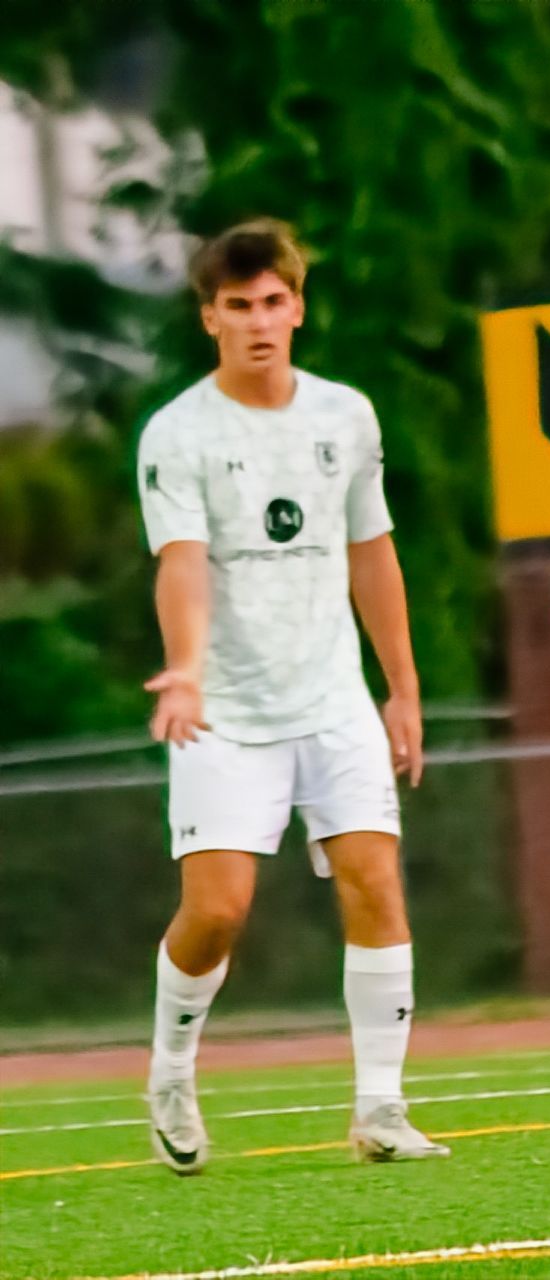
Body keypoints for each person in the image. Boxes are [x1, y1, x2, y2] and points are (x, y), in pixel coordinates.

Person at [137, 219, 446, 1172]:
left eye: (274, 302)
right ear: (210, 318)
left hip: (334, 699)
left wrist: (401, 688)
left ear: (299, 308)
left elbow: (372, 551)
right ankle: (171, 1071)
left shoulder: (346, 416)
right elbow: (182, 563)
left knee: (375, 880)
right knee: (218, 910)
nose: (259, 321)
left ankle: (382, 1107)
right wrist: (186, 670)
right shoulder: (179, 433)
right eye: (239, 306)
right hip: (227, 712)